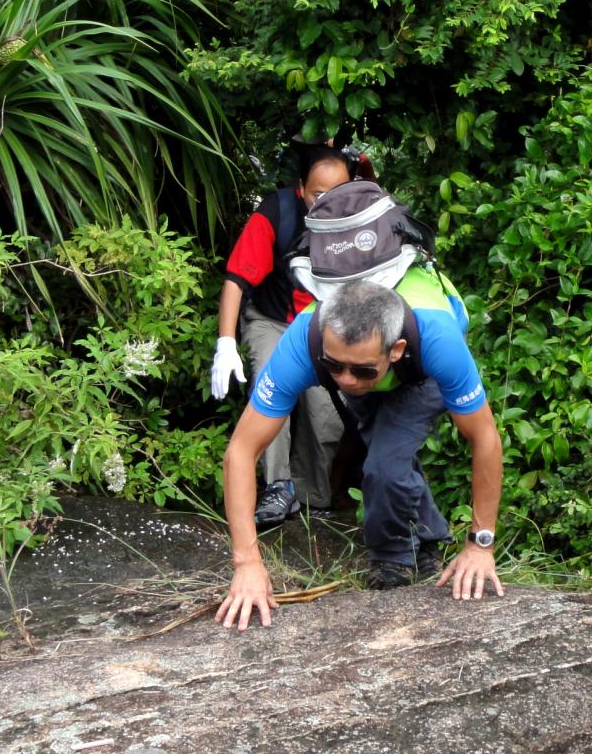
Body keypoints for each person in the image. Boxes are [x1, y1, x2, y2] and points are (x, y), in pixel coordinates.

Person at [215, 274, 504, 629]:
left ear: (395, 349)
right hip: (375, 364)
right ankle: (427, 541)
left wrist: (480, 545)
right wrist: (247, 564)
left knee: (385, 465)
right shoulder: (303, 342)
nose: (347, 380)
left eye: (361, 370)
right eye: (334, 367)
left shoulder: (439, 341)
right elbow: (241, 452)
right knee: (387, 452)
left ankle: (394, 562)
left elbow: (484, 438)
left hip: (420, 371)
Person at [211, 143, 353, 526]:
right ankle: (278, 487)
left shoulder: (359, 220)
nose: (329, 203)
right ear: (301, 188)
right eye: (318, 194)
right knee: (272, 389)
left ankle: (312, 495)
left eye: (339, 193)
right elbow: (237, 280)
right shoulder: (279, 212)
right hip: (272, 319)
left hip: (323, 325)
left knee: (327, 413)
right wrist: (226, 344)